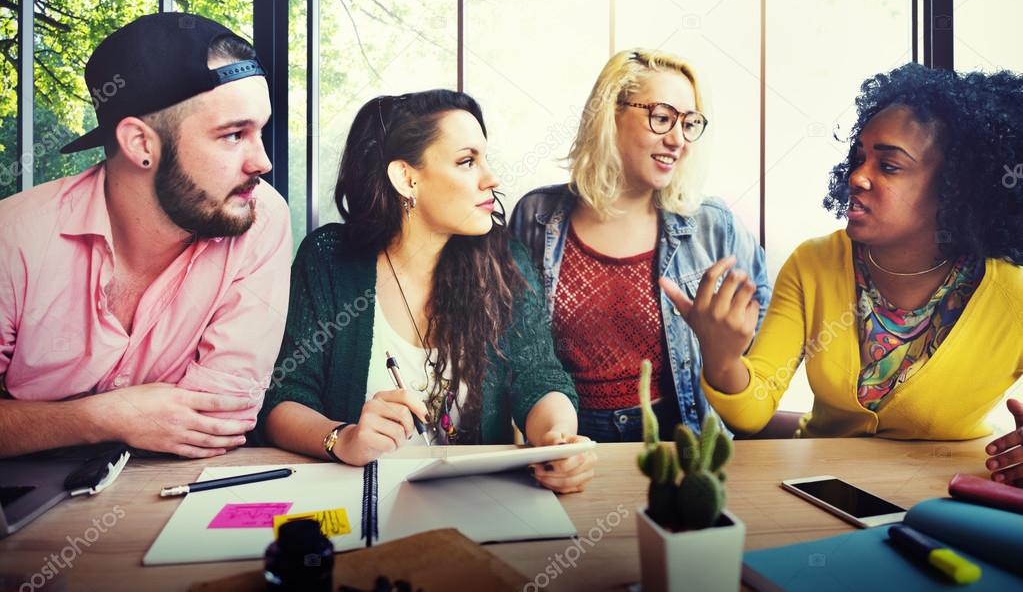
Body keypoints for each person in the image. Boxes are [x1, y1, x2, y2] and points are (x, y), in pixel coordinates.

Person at [663, 64, 1023, 472]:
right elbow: (752, 410)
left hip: (946, 498)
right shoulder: (814, 264)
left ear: (956, 186)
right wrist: (722, 358)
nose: (857, 177)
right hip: (819, 489)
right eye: (859, 158)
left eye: (888, 166)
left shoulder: (1012, 293)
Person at [259, 90, 595, 494]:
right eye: (467, 161)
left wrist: (557, 440)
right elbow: (284, 397)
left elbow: (539, 379)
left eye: (484, 159)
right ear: (407, 177)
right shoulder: (328, 259)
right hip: (357, 502)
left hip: (476, 503)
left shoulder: (506, 259)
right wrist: (343, 438)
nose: (492, 178)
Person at [0, 13, 292, 459]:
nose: (262, 162)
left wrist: (36, 422)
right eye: (234, 135)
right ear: (140, 144)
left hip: (174, 496)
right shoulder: (15, 237)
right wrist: (106, 417)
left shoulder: (260, 218)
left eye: (260, 131)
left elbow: (218, 421)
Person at [510, 50, 769, 442]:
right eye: (662, 118)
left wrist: (726, 352)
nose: (678, 139)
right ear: (610, 115)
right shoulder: (537, 215)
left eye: (689, 123)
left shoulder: (714, 224)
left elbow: (762, 350)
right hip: (567, 437)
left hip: (681, 438)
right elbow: (517, 351)